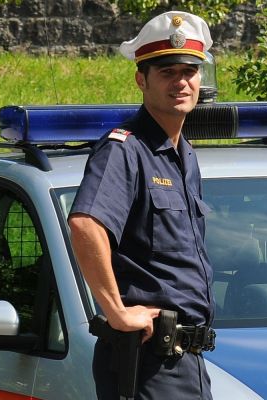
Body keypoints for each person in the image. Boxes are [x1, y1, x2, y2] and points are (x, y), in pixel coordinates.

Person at [68, 10, 215, 400]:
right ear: (141, 79)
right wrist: (116, 311)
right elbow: (85, 225)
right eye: (167, 72)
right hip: (146, 360)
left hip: (188, 362)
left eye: (190, 71)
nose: (181, 82)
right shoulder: (125, 150)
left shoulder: (183, 155)